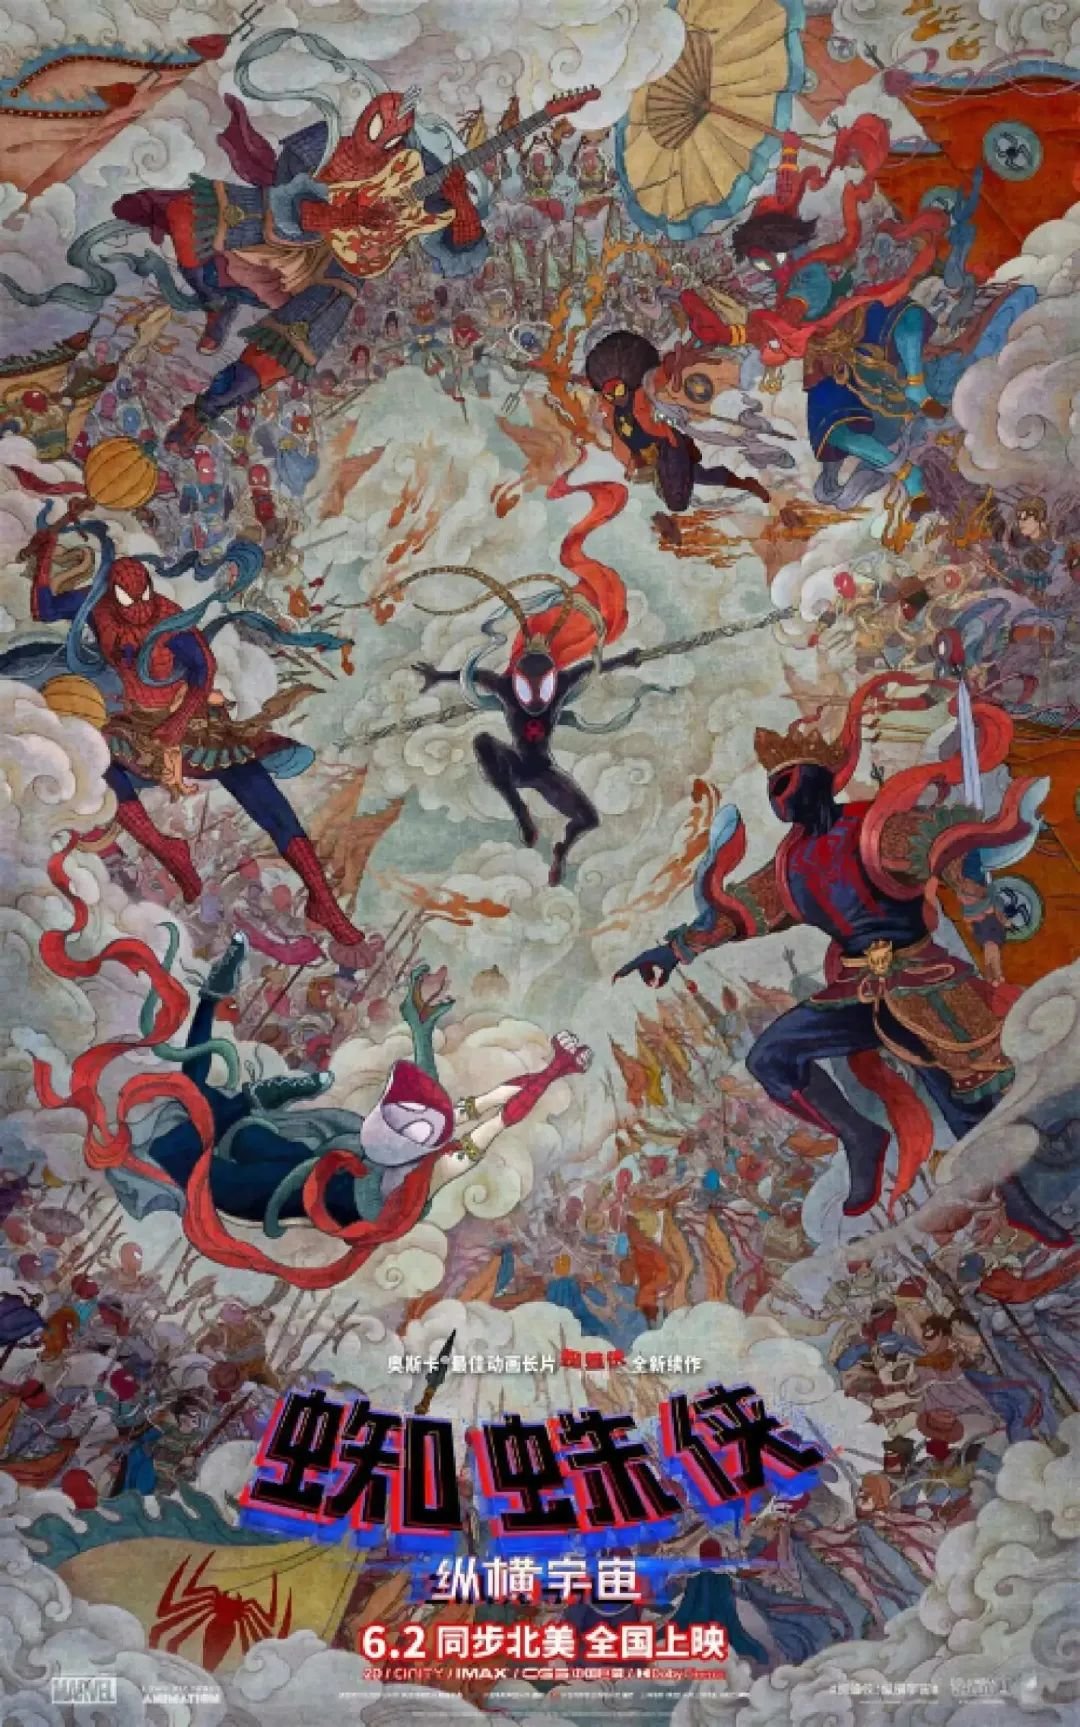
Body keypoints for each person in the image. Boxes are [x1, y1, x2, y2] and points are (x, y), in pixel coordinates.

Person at [615, 674, 1067, 1244]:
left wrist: (984, 920)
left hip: (921, 981)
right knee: (772, 1058)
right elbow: (737, 913)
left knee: (965, 1102)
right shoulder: (790, 864)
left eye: (788, 778)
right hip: (855, 988)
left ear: (821, 780)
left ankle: (1020, 1201)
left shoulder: (876, 827)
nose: (779, 792)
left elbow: (951, 851)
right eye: (774, 784)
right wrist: (672, 950)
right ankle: (860, 1135)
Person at [114, 88, 487, 454]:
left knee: (286, 351)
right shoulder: (323, 143)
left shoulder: (419, 167)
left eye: (392, 137)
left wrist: (463, 206)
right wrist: (346, 215)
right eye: (376, 127)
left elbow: (463, 250)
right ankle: (215, 302)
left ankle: (202, 414)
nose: (378, 141)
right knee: (185, 212)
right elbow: (291, 199)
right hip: (293, 228)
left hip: (348, 264)